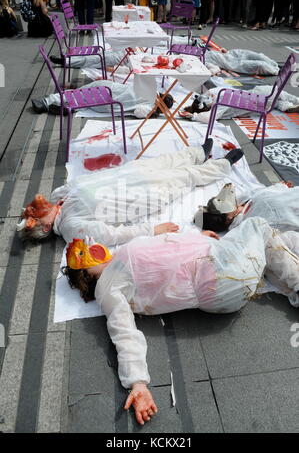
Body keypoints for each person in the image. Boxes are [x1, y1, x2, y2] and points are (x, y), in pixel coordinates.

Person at [62, 216, 299, 424]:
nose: (95, 245)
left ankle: (290, 284)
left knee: (277, 242)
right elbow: (123, 331)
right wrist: (137, 382)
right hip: (221, 275)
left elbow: (165, 252)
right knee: (258, 225)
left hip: (219, 270)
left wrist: (197, 239)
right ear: (87, 275)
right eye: (89, 252)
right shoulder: (108, 286)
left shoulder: (117, 265)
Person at [16, 144, 244, 243]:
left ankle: (198, 153)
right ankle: (224, 164)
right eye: (36, 216)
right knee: (186, 177)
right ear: (46, 227)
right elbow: (112, 235)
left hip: (128, 173)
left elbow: (72, 185)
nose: (37, 207)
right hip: (143, 193)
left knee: (166, 161)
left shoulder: (58, 197)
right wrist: (152, 230)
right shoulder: (70, 226)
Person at [31, 78, 175, 117]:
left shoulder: (150, 91)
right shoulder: (150, 106)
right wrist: (153, 113)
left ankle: (49, 101)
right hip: (108, 98)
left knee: (79, 94)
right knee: (81, 96)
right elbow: (138, 112)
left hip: (109, 91)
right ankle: (68, 107)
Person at [197, 181, 299, 235]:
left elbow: (258, 193)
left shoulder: (240, 204)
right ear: (227, 219)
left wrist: (280, 187)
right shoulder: (251, 223)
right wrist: (280, 189)